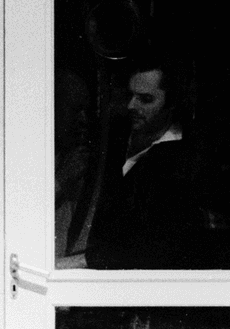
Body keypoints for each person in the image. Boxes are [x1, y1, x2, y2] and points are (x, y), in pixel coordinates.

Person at [83, 63, 204, 269]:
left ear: (172, 103)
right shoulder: (115, 139)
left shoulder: (182, 159)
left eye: (145, 99)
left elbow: (155, 250)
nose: (131, 106)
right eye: (130, 95)